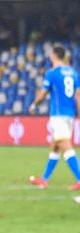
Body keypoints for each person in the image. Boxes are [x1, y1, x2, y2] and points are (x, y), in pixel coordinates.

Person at [28, 43, 80, 190]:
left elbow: (43, 94)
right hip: (69, 114)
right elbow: (78, 95)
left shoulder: (52, 73)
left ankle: (79, 178)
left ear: (53, 56)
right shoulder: (73, 72)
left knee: (65, 146)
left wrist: (33, 105)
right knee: (55, 146)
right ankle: (44, 179)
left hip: (58, 114)